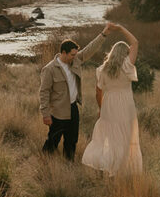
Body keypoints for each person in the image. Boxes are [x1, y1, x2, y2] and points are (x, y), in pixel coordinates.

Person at [39, 21, 114, 159]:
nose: (75, 56)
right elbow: (44, 92)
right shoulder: (49, 69)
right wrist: (45, 114)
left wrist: (104, 34)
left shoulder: (75, 60)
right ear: (64, 53)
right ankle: (44, 163)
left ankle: (69, 164)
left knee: (72, 140)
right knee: (53, 140)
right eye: (72, 54)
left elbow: (89, 49)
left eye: (76, 54)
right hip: (58, 111)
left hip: (73, 108)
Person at [81, 23, 143, 176]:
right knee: (125, 140)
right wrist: (121, 28)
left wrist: (101, 108)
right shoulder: (127, 65)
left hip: (109, 106)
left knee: (110, 140)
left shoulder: (102, 70)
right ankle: (119, 170)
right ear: (126, 53)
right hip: (126, 106)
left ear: (113, 52)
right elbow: (135, 42)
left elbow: (98, 92)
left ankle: (110, 168)